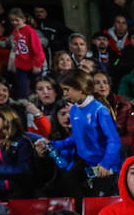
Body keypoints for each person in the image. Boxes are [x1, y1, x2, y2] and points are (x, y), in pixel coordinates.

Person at [36, 70, 123, 198]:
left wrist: (106, 163)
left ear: (80, 89)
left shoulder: (100, 111)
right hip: (86, 162)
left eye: (67, 89)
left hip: (104, 164)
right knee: (68, 182)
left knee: (95, 197)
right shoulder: (75, 109)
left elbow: (114, 141)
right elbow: (76, 139)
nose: (64, 94)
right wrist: (53, 144)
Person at [6, 8, 46, 99]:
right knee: (22, 88)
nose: (14, 23)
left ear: (23, 19)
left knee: (35, 88)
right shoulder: (15, 31)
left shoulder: (30, 31)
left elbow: (38, 49)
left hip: (32, 65)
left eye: (17, 20)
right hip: (20, 65)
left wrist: (38, 64)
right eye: (12, 20)